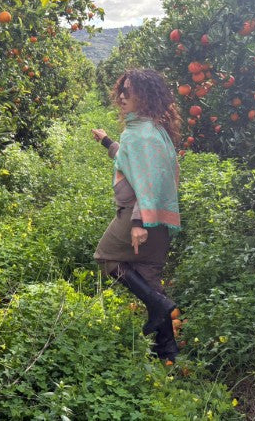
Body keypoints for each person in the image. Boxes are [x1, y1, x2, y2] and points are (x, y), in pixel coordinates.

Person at [91, 69, 182, 362]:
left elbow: (147, 182)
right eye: (122, 90)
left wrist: (138, 222)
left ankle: (159, 305)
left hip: (140, 214)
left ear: (145, 96)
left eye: (129, 91)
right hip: (159, 218)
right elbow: (133, 163)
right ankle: (167, 352)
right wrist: (107, 142)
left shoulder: (140, 135)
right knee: (148, 275)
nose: (122, 96)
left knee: (107, 257)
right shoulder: (152, 130)